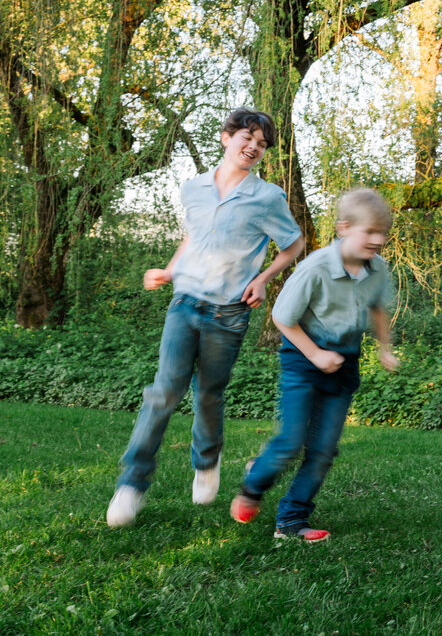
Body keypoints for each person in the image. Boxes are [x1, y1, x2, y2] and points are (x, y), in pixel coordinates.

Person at [108, 109, 304, 528]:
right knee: (163, 393)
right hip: (185, 303)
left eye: (262, 144)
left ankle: (206, 460)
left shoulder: (266, 197)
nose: (253, 147)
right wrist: (170, 268)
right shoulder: (193, 188)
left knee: (209, 395)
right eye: (247, 137)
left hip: (229, 313)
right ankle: (132, 483)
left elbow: (293, 243)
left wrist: (265, 278)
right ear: (225, 137)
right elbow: (194, 236)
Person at [230, 188, 399, 542]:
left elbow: (378, 308)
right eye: (370, 231)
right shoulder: (316, 268)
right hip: (302, 359)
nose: (378, 240)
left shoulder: (378, 268)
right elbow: (282, 317)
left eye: (382, 232)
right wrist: (316, 355)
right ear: (344, 227)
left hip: (344, 362)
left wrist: (385, 348)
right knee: (291, 441)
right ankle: (254, 484)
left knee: (323, 450)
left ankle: (290, 521)